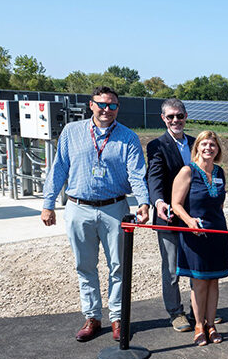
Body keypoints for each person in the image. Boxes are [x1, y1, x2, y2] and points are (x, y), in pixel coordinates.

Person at [41, 86, 149, 342]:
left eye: (112, 106)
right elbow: (59, 169)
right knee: (85, 266)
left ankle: (118, 318)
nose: (106, 110)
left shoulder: (128, 138)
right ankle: (92, 317)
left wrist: (144, 202)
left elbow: (136, 173)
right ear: (91, 105)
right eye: (101, 104)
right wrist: (48, 203)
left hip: (115, 209)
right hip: (79, 208)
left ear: (117, 108)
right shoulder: (72, 132)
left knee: (119, 267)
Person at [171, 130, 228, 346]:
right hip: (194, 234)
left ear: (218, 149)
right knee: (199, 282)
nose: (208, 148)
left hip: (217, 233)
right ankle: (198, 325)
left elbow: (219, 203)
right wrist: (189, 221)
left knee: (214, 281)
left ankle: (211, 324)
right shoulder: (187, 171)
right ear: (197, 147)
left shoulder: (220, 172)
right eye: (204, 144)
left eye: (212, 145)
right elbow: (175, 204)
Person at [146, 98, 196, 333]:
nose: (176, 120)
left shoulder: (197, 144)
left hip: (194, 217)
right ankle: (176, 313)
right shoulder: (157, 146)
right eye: (170, 117)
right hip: (168, 217)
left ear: (186, 116)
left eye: (180, 116)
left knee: (197, 265)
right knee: (172, 269)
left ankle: (200, 309)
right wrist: (157, 202)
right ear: (163, 119)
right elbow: (154, 177)